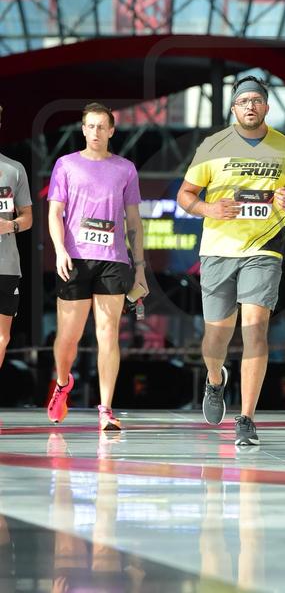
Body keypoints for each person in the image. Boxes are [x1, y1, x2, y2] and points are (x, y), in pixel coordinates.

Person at [177, 75, 285, 446]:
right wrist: (209, 208)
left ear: (266, 106)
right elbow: (185, 195)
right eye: (243, 101)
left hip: (265, 248)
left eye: (256, 100)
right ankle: (215, 380)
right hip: (218, 249)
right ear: (234, 108)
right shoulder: (212, 146)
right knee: (215, 338)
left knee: (255, 329)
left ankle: (247, 418)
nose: (250, 106)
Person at [47, 102, 148, 430]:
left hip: (113, 260)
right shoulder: (66, 164)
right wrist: (60, 250)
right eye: (90, 126)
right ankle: (63, 383)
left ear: (111, 131)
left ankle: (106, 409)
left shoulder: (125, 169)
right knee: (69, 337)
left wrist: (140, 268)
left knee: (108, 334)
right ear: (83, 129)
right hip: (74, 259)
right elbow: (54, 212)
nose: (95, 132)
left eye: (101, 126)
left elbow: (134, 220)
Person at [0, 105, 33, 372]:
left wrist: (9, 225)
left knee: (2, 337)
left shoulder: (15, 169)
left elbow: (28, 218)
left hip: (7, 266)